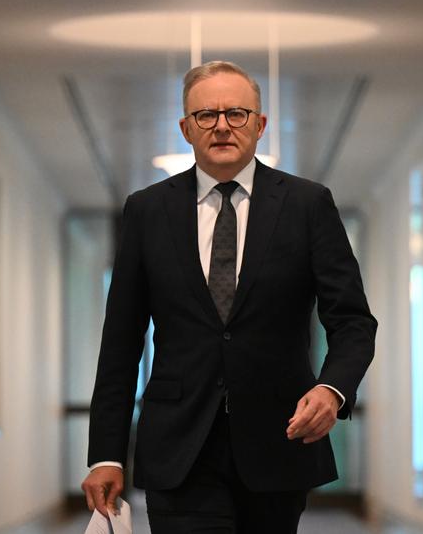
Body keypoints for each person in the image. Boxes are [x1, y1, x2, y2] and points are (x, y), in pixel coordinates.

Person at [81, 60, 377, 533]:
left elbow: (353, 322)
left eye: (236, 114)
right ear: (185, 128)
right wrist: (106, 454)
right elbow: (120, 343)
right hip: (178, 448)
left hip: (279, 444)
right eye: (206, 115)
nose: (221, 126)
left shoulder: (307, 205)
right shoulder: (147, 211)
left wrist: (332, 389)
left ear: (259, 125)